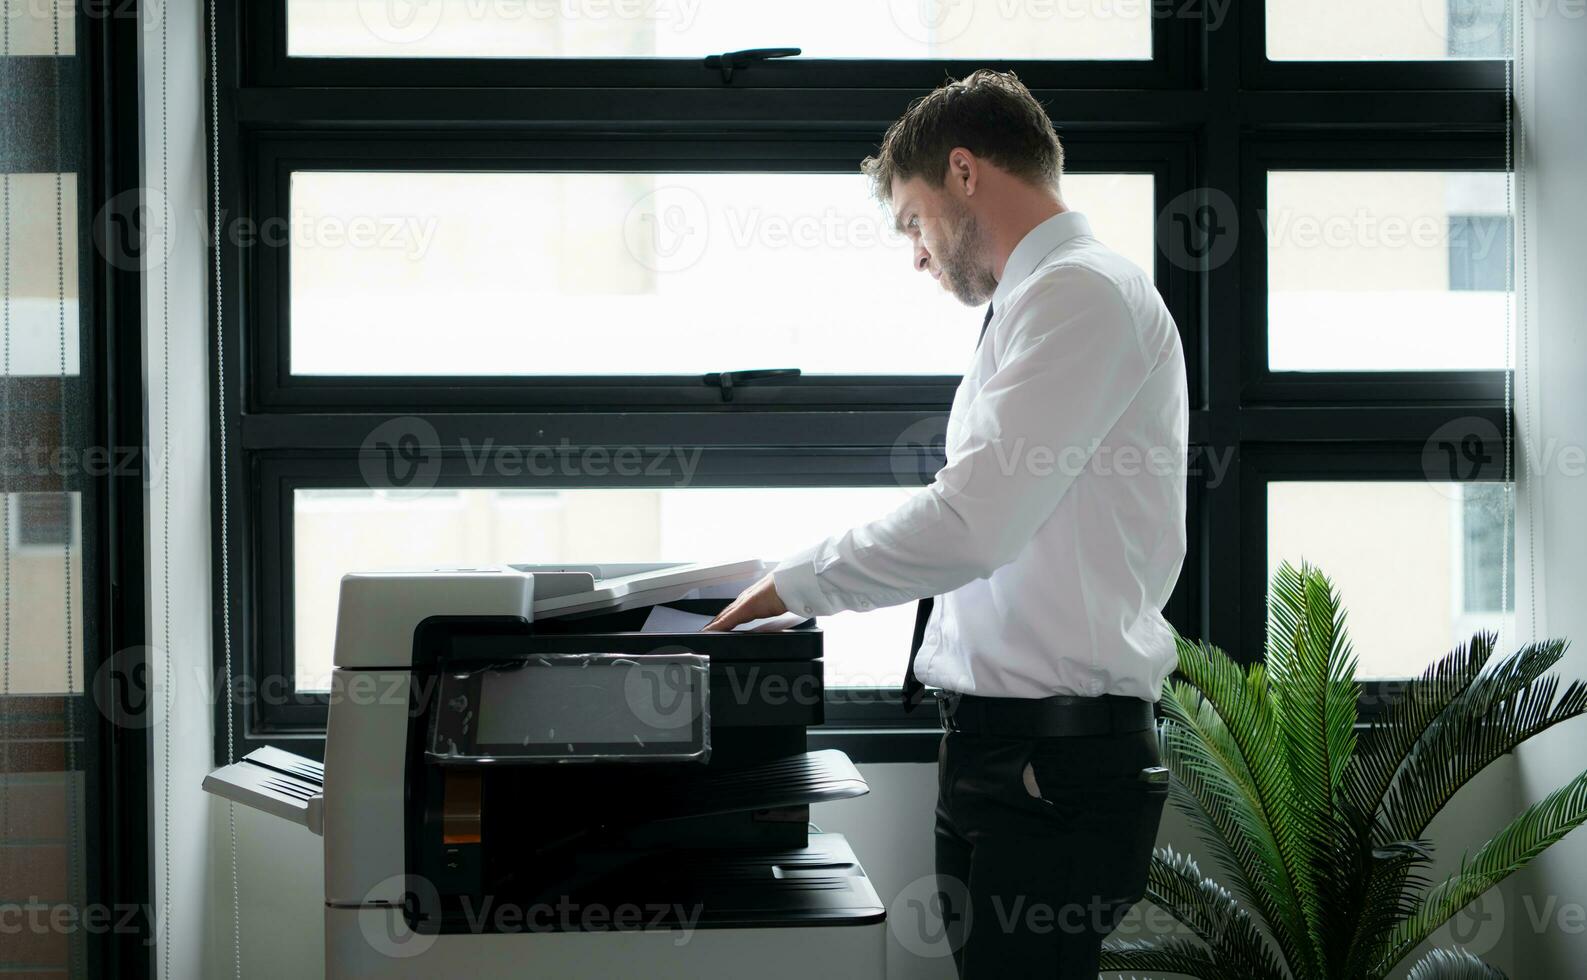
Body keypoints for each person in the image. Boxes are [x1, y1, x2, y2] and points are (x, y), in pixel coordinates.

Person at [704, 69, 1187, 977]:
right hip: (1008, 751)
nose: (917, 256)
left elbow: (972, 526)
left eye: (912, 221)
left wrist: (795, 581)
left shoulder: (1079, 296)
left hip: (1052, 760)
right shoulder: (1039, 302)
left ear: (964, 172)